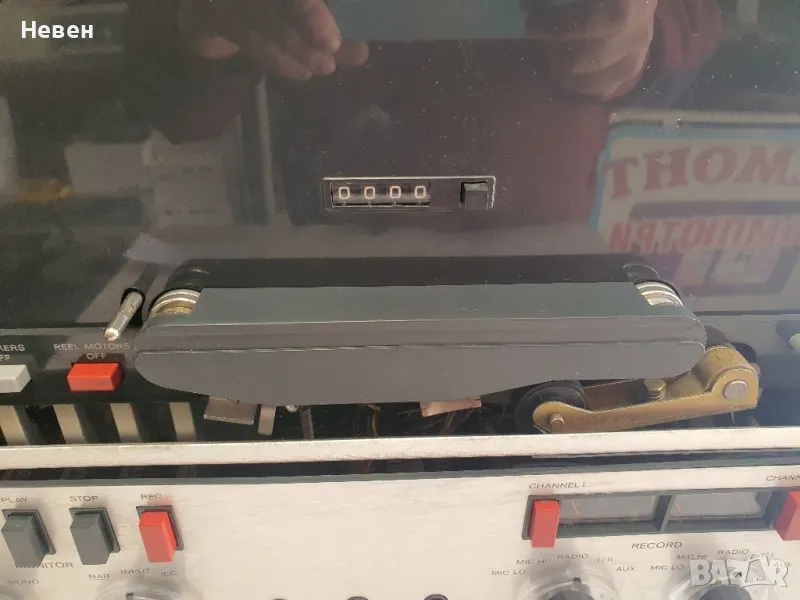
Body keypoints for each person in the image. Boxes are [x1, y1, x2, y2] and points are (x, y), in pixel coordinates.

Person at [126, 0, 722, 223]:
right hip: (323, 255)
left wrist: (648, 33)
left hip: (533, 255)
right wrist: (196, 19)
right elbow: (174, 107)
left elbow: (695, 23)